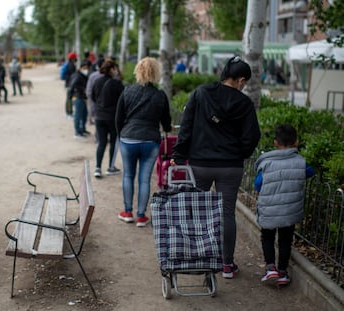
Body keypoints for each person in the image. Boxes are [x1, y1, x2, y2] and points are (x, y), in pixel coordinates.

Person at [171, 56, 261, 278]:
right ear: (240, 79)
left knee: (199, 211)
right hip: (230, 167)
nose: (244, 86)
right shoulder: (244, 103)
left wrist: (179, 155)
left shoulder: (201, 93)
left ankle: (201, 258)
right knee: (227, 214)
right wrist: (239, 154)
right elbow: (252, 136)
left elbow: (187, 126)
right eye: (245, 82)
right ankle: (227, 265)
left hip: (200, 164)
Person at [254, 124, 314, 286]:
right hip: (289, 210)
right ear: (296, 142)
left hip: (269, 208)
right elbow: (310, 172)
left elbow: (258, 183)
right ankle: (282, 272)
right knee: (285, 239)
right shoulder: (300, 162)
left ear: (275, 143)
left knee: (267, 236)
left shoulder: (266, 162)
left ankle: (270, 268)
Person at [115, 57, 172, 227]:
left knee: (128, 175)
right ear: (156, 73)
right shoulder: (160, 95)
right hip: (150, 140)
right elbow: (167, 124)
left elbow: (118, 118)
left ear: (138, 71)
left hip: (128, 139)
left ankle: (127, 212)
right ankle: (141, 215)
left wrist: (121, 135)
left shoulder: (127, 91)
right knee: (145, 179)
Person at [91, 60, 124, 178]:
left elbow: (93, 97)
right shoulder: (117, 84)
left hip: (99, 117)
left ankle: (97, 168)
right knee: (114, 143)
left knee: (101, 143)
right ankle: (111, 167)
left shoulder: (97, 81)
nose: (116, 71)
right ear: (111, 69)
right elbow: (123, 100)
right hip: (112, 118)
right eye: (115, 68)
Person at [69, 60, 91, 138]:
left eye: (87, 68)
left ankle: (82, 130)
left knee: (84, 114)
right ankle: (77, 132)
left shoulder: (82, 75)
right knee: (78, 115)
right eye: (85, 68)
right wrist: (71, 97)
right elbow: (72, 86)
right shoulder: (77, 76)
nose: (86, 70)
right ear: (81, 68)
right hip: (78, 97)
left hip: (81, 97)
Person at [86, 57, 104, 125]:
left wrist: (89, 96)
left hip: (94, 98)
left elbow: (89, 88)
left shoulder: (93, 75)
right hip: (100, 100)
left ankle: (90, 120)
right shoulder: (108, 76)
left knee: (91, 110)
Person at [63, 52, 78, 118]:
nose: (76, 58)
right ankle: (69, 113)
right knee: (69, 98)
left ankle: (68, 112)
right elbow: (73, 76)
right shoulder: (71, 65)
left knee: (68, 98)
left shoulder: (69, 64)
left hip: (68, 84)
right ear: (73, 58)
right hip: (70, 84)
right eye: (75, 57)